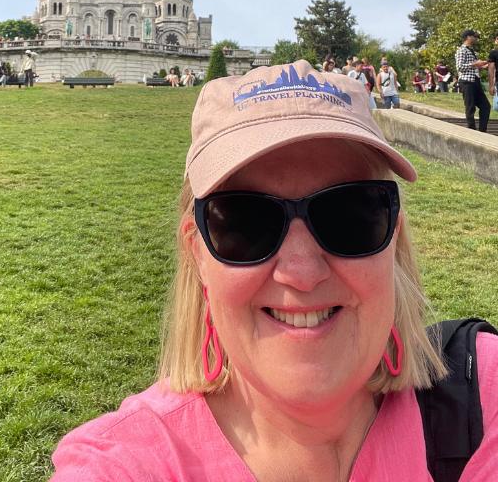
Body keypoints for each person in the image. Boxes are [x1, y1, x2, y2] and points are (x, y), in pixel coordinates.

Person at [51, 59, 498, 481]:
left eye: (349, 216)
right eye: (245, 223)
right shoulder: (128, 462)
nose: (301, 272)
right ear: (197, 255)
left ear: (394, 239)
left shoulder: (485, 393)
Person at [455, 30, 490, 132]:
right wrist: (475, 64)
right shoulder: (461, 50)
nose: (476, 38)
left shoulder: (472, 51)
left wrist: (483, 66)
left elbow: (474, 67)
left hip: (475, 80)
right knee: (470, 107)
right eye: (474, 36)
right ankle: (471, 130)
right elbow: (460, 67)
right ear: (468, 37)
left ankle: (482, 131)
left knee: (485, 106)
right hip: (466, 82)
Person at [488, 32, 498, 101]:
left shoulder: (493, 53)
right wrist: (491, 85)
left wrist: (491, 86)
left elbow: (491, 70)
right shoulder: (493, 53)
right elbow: (491, 70)